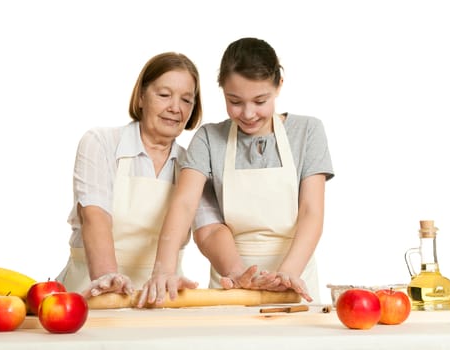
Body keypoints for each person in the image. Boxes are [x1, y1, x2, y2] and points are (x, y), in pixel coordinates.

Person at [138, 37, 334, 307]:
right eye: (235, 101)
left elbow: (312, 211)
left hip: (295, 283)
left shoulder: (308, 132)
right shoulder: (208, 139)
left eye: (260, 100)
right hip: (231, 286)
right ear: (222, 91)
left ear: (279, 85)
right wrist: (165, 269)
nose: (249, 113)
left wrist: (288, 273)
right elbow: (184, 206)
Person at [56, 52, 206, 298]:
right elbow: (95, 216)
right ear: (140, 97)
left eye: (187, 100)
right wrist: (107, 277)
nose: (175, 108)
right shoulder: (101, 143)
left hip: (159, 298)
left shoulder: (193, 164)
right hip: (91, 291)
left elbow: (209, 228)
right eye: (164, 95)